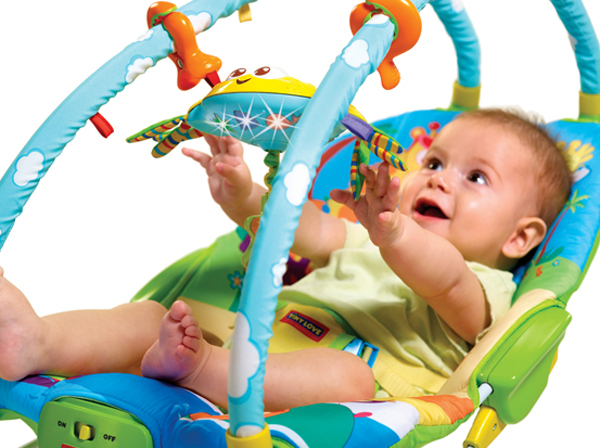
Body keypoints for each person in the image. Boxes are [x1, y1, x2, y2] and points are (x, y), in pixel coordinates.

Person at [0, 108, 572, 412]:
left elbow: (443, 280)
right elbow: (299, 227)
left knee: (345, 378)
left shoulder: (490, 287)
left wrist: (395, 234)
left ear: (520, 238)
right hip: (258, 333)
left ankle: (197, 372)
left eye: (476, 178)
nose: (440, 179)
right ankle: (37, 342)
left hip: (354, 373)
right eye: (434, 162)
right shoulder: (363, 236)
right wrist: (241, 194)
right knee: (151, 315)